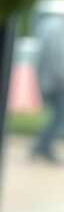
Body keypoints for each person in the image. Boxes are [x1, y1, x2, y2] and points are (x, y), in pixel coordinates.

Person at [32, 14, 64, 163]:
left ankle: (42, 146)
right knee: (59, 117)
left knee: (57, 116)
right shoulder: (56, 30)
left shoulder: (49, 27)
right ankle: (43, 146)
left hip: (50, 80)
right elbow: (58, 58)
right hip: (57, 82)